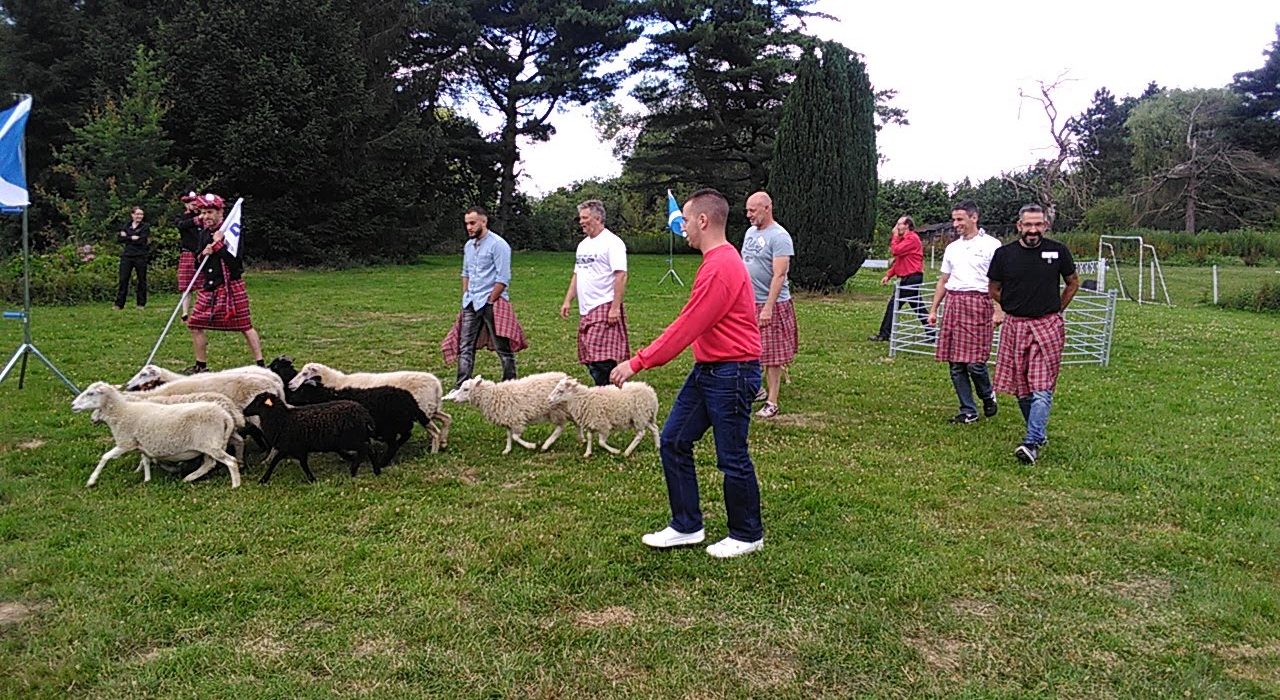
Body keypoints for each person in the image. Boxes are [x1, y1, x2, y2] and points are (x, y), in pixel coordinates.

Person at [610, 189, 765, 559]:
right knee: (674, 440)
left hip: (733, 373)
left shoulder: (722, 266)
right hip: (709, 370)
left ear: (703, 221)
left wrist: (637, 362)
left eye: (686, 220)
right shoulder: (715, 262)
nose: (683, 227)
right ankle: (686, 525)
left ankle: (747, 534)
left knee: (732, 457)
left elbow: (688, 325)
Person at [988, 204, 1080, 464]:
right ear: (1019, 226)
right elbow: (993, 288)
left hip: (1047, 326)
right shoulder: (1004, 254)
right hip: (1015, 326)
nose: (1033, 230)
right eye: (1028, 224)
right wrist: (1012, 304)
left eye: (1038, 224)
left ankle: (1031, 443)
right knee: (1022, 388)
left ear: (1045, 225)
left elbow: (1073, 282)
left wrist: (1057, 308)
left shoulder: (1058, 250)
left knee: (1041, 387)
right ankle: (1038, 432)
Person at [927, 200, 1003, 424]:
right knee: (955, 363)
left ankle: (987, 395)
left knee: (975, 363)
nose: (955, 224)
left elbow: (999, 282)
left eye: (960, 219)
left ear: (974, 217)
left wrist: (998, 310)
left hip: (980, 303)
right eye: (954, 219)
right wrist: (933, 309)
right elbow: (944, 280)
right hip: (954, 303)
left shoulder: (992, 245)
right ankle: (968, 411)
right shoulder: (952, 248)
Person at [441, 206, 526, 389]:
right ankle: (461, 386)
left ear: (484, 222)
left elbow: (503, 277)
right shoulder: (469, 246)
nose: (469, 227)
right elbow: (466, 272)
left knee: (502, 347)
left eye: (473, 223)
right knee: (465, 345)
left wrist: (491, 300)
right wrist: (466, 294)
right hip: (471, 302)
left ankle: (510, 383)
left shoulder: (498, 244)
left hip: (492, 302)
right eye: (467, 224)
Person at [185, 194, 264, 373]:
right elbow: (198, 264)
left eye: (209, 212)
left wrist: (219, 246)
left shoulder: (233, 232)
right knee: (195, 324)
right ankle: (201, 366)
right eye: (203, 213)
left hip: (230, 286)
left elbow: (236, 265)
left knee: (245, 326)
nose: (205, 216)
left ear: (220, 213)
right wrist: (204, 253)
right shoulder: (204, 233)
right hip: (209, 287)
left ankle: (261, 364)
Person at [560, 199, 630, 386]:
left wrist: (615, 307)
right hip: (586, 308)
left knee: (600, 358)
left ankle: (608, 390)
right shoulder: (583, 245)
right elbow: (577, 274)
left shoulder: (612, 243)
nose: (581, 222)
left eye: (585, 218)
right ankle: (609, 389)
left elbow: (621, 275)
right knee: (590, 355)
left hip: (604, 304)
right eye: (580, 218)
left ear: (598, 218)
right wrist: (568, 300)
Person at [740, 191, 797, 419]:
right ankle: (757, 389)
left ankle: (772, 402)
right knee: (748, 348)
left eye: (752, 210)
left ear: (767, 208)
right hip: (749, 301)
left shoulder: (780, 236)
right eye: (747, 210)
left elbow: (779, 275)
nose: (748, 215)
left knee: (773, 356)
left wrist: (768, 307)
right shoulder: (750, 233)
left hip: (772, 303)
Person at [870, 215, 928, 341]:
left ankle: (884, 334)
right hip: (909, 278)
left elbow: (895, 251)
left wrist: (895, 236)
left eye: (899, 224)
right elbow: (899, 261)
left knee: (894, 304)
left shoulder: (912, 238)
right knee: (918, 306)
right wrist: (888, 275)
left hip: (911, 277)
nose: (896, 227)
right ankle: (932, 333)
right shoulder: (905, 239)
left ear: (907, 225)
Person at [174, 191, 203, 321]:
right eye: (193, 204)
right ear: (186, 205)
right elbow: (181, 225)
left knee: (203, 285)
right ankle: (185, 313)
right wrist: (197, 219)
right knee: (186, 286)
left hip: (201, 253)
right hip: (188, 253)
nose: (195, 206)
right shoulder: (181, 218)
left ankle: (200, 310)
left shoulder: (204, 217)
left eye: (197, 204)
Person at [114, 206, 150, 310]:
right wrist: (131, 237)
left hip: (140, 256)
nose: (139, 216)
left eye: (141, 214)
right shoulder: (126, 225)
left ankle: (141, 303)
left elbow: (141, 240)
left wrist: (127, 237)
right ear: (132, 215)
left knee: (141, 280)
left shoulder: (145, 226)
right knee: (123, 279)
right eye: (137, 214)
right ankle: (119, 304)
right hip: (127, 256)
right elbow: (120, 239)